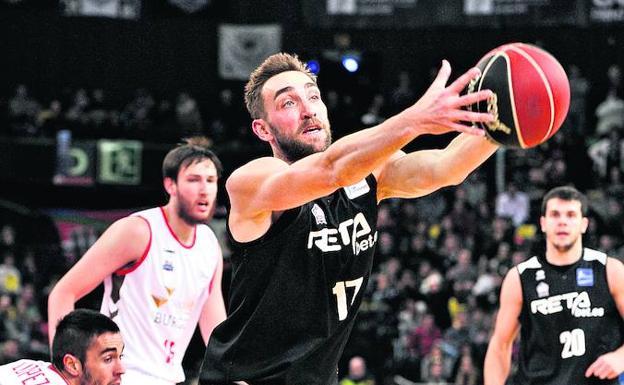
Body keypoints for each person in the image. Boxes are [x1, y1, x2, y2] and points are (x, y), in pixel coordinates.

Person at [198, 52, 498, 385]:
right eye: (288, 104)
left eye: (313, 97)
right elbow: (331, 169)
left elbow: (446, 167)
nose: (308, 109)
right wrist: (416, 118)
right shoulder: (251, 182)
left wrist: (502, 122)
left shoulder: (366, 173)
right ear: (263, 129)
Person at [48, 136, 227, 385]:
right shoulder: (138, 231)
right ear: (170, 185)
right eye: (193, 180)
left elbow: (216, 330)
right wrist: (63, 374)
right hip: (121, 376)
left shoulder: (209, 245)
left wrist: (240, 377)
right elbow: (63, 293)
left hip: (168, 379)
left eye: (210, 180)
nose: (204, 189)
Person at [484, 186, 624, 385]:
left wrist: (621, 357)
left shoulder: (610, 270)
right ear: (543, 223)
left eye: (571, 215)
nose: (562, 222)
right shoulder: (521, 277)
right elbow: (500, 346)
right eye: (555, 215)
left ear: (584, 224)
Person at [0, 308, 124, 385]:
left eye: (120, 356)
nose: (121, 369)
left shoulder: (27, 364)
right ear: (71, 364)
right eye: (108, 359)